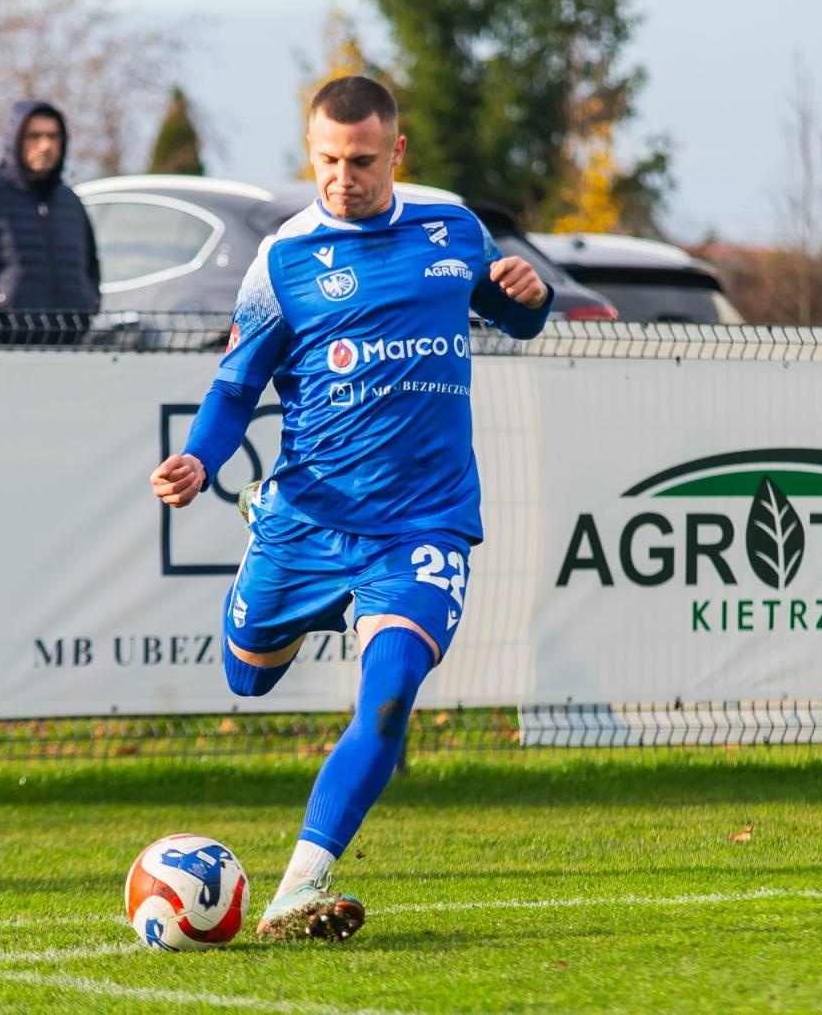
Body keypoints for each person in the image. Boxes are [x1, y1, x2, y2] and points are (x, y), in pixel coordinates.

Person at [149, 76, 553, 942]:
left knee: (391, 694)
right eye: (328, 161)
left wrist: (529, 297)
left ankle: (301, 882)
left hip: (422, 525)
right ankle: (279, 570)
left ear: (396, 153)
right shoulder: (284, 261)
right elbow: (234, 391)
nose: (343, 178)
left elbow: (513, 322)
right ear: (312, 154)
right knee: (247, 674)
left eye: (362, 161)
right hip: (307, 519)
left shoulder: (451, 231)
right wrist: (197, 456)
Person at [0, 100, 101, 347]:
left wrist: (88, 307)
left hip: (69, 347)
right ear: (14, 140)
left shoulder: (70, 201)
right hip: (2, 349)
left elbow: (90, 267)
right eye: (34, 136)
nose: (45, 145)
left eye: (53, 137)